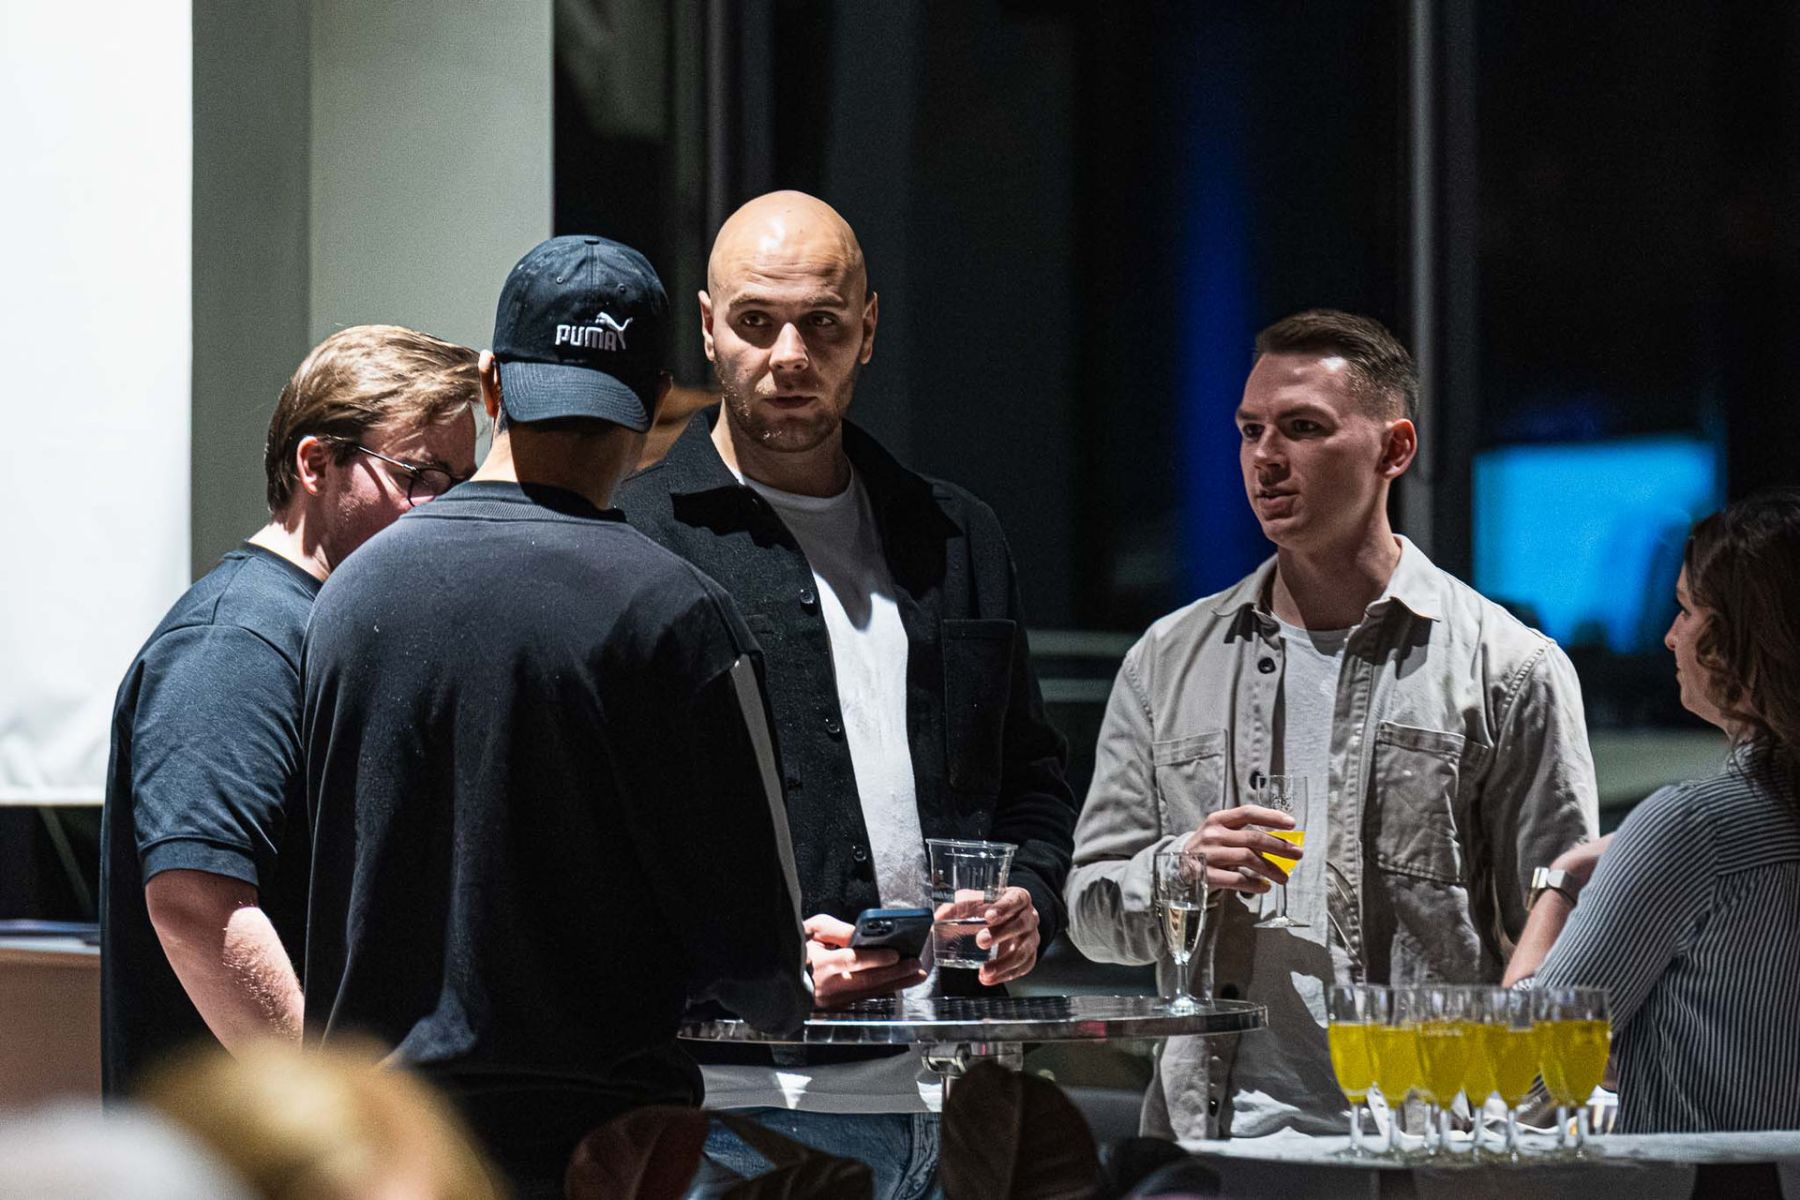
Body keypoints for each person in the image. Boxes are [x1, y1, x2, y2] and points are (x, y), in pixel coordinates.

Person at [301, 234, 810, 1198]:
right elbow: (763, 969)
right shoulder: (677, 614)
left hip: (375, 1148)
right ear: (654, 400)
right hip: (596, 1152)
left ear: (492, 384)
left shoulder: (349, 597)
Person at [614, 190, 1078, 1197]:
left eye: (821, 323)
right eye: (756, 321)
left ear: (866, 330)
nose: (789, 354)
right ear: (708, 329)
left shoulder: (956, 535)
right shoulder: (632, 543)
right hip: (743, 1108)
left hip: (966, 1094)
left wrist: (1032, 901)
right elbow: (596, 847)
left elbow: (1031, 778)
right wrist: (763, 965)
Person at [1064, 309, 1598, 1141]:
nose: (1266, 457)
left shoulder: (1508, 667)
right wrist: (1181, 868)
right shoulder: (1167, 661)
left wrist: (1515, 1142)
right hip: (1216, 1143)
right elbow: (1092, 916)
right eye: (1251, 430)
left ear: (1394, 449)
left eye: (1304, 428)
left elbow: (1565, 941)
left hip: (1422, 1146)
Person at [99, 325, 479, 1097]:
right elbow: (195, 905)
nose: (444, 508)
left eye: (462, 483)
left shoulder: (317, 624)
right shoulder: (234, 642)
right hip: (233, 1149)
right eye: (421, 475)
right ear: (315, 464)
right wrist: (339, 1112)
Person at [1504, 491, 1800, 1132]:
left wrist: (1561, 882)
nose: (1670, 636)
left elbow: (1528, 1069)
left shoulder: (1693, 828)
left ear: (1732, 640)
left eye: (1686, 610)